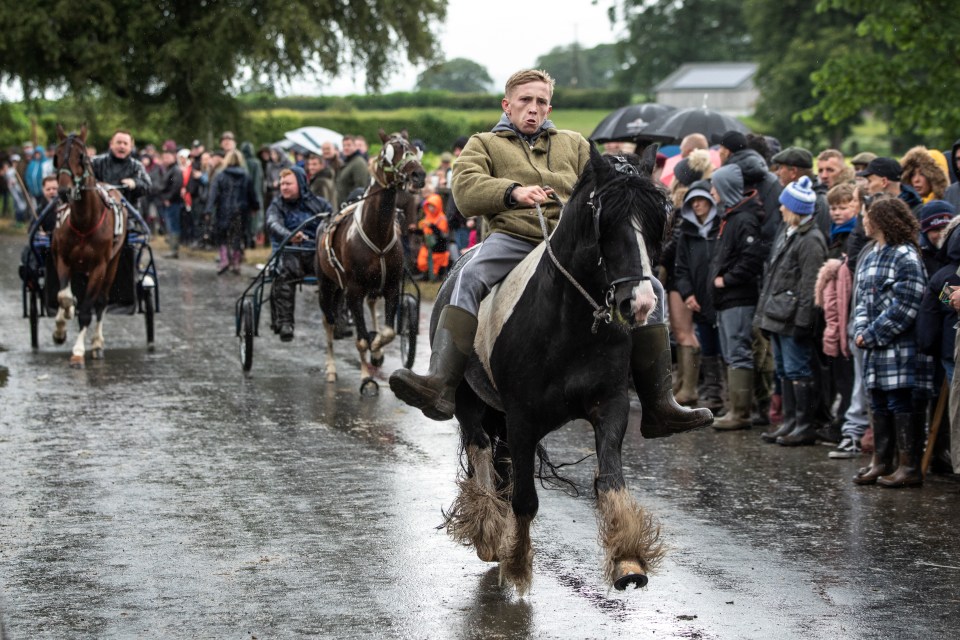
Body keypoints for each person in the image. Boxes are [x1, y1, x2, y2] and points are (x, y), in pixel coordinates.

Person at [389, 69, 712, 435]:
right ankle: (440, 383)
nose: (533, 109)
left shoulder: (574, 144)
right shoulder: (483, 144)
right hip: (513, 238)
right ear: (506, 105)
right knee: (468, 275)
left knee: (649, 282)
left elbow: (601, 188)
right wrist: (512, 192)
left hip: (571, 245)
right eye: (525, 100)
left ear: (549, 106)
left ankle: (659, 404)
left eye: (541, 102)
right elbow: (464, 191)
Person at [852, 197, 928, 487]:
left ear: (881, 220)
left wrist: (870, 334)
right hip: (873, 348)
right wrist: (861, 330)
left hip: (898, 348)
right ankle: (881, 462)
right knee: (879, 403)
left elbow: (907, 304)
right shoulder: (872, 254)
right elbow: (861, 301)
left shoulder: (905, 256)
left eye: (868, 216)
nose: (864, 221)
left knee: (900, 402)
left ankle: (908, 467)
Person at [754, 177, 827, 445]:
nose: (781, 209)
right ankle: (790, 421)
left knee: (797, 370)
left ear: (795, 208)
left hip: (792, 319)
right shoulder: (788, 233)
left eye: (785, 206)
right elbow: (774, 278)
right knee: (784, 371)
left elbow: (809, 286)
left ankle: (803, 425)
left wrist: (804, 323)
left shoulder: (811, 240)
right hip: (778, 316)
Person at [708, 163, 767, 431]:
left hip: (738, 298)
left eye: (715, 186)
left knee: (738, 352)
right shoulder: (731, 216)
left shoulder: (743, 219)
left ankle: (740, 413)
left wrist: (726, 279)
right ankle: (739, 408)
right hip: (728, 299)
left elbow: (752, 258)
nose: (711, 191)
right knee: (733, 352)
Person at [265, 167, 333, 342]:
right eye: (282, 184)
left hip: (317, 253)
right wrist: (290, 235)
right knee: (285, 272)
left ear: (301, 184)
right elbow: (272, 224)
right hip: (290, 252)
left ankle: (339, 320)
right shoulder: (277, 205)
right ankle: (285, 323)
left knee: (338, 271)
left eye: (288, 183)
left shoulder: (320, 204)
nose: (284, 187)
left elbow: (333, 222)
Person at [674, 180, 723, 412]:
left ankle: (729, 395)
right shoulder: (687, 233)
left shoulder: (721, 227)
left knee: (727, 348)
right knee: (709, 348)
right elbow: (681, 267)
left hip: (722, 298)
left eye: (701, 200)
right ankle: (714, 395)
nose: (697, 205)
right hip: (700, 299)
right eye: (693, 202)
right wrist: (687, 294)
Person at [206, 149, 259, 275]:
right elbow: (252, 194)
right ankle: (235, 263)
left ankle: (224, 260)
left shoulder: (220, 175)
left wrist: (208, 210)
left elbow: (213, 194)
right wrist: (255, 207)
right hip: (241, 211)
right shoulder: (246, 176)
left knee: (222, 236)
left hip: (224, 210)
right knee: (237, 237)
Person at [857, 156, 922, 213]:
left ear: (884, 182)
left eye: (869, 181)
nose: (866, 186)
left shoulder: (917, 212)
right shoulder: (871, 206)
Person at [156, 148, 183, 258]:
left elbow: (176, 186)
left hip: (173, 202)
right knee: (170, 225)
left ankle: (174, 250)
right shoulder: (168, 170)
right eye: (164, 157)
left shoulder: (175, 170)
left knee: (173, 226)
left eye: (168, 157)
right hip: (168, 201)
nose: (166, 160)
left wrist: (168, 199)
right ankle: (172, 249)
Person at [416, 193, 450, 281]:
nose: (431, 208)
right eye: (429, 206)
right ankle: (425, 275)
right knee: (422, 261)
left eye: (433, 206)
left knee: (436, 267)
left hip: (439, 248)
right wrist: (414, 230)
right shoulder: (427, 217)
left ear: (438, 206)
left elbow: (442, 235)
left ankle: (436, 276)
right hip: (428, 247)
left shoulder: (442, 218)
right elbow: (424, 232)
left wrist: (432, 226)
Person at [336, 135, 370, 204]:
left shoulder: (359, 163)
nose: (346, 148)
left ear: (355, 146)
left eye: (349, 145)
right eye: (344, 146)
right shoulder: (348, 162)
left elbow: (361, 188)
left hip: (351, 207)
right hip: (343, 206)